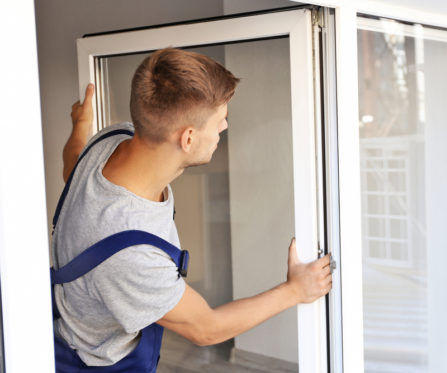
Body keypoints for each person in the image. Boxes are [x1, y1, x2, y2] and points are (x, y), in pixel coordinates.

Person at [51, 48, 332, 372]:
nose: (224, 127)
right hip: (100, 362)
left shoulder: (112, 139)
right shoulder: (132, 256)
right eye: (219, 120)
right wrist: (294, 291)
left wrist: (80, 127)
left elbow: (73, 167)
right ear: (187, 138)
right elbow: (206, 328)